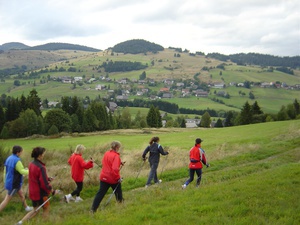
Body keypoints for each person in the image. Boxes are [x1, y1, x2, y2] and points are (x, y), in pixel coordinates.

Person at [16, 147, 58, 224]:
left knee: (35, 210)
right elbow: (44, 184)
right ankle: (45, 222)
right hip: (40, 193)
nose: (44, 155)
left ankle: (21, 222)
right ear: (39, 155)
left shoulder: (31, 164)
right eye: (43, 154)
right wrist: (53, 191)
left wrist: (47, 178)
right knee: (46, 208)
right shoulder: (41, 167)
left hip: (32, 191)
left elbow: (36, 177)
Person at [91, 141, 124, 213]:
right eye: (119, 147)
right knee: (118, 193)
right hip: (112, 178)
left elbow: (106, 162)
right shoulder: (116, 156)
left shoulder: (107, 153)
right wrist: (118, 178)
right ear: (117, 147)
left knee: (100, 193)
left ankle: (93, 209)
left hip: (103, 176)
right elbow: (115, 169)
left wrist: (119, 162)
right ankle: (121, 207)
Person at [0, 145, 33, 213]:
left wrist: (5, 181)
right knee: (7, 199)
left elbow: (7, 171)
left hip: (11, 181)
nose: (22, 153)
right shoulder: (17, 160)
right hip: (14, 183)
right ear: (18, 152)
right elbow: (21, 171)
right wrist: (31, 171)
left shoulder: (9, 158)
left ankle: (26, 207)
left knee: (21, 194)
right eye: (21, 151)